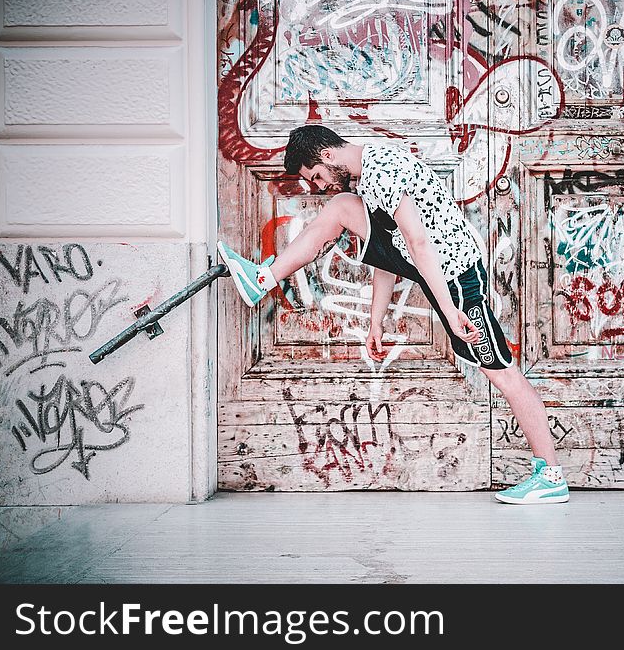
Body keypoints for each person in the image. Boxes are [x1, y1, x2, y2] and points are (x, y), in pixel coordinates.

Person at [217, 125, 568, 504]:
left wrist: (451, 311)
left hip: (458, 281)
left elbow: (417, 241)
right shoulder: (367, 175)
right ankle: (264, 278)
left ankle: (549, 475)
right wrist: (376, 320)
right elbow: (391, 250)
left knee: (503, 374)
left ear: (328, 155)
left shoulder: (382, 167)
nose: (317, 185)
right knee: (340, 208)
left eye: (315, 175)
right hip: (434, 274)